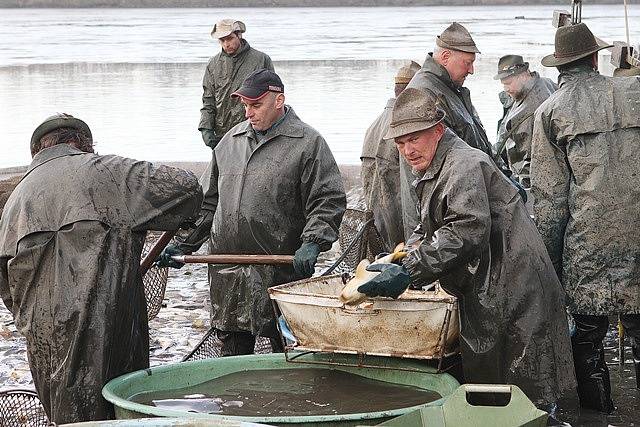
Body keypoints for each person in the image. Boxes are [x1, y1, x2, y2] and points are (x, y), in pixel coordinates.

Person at [358, 88, 576, 408]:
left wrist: (409, 271)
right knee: (493, 384)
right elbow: (430, 224)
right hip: (488, 281)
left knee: (528, 390)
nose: (407, 150)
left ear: (437, 130)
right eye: (400, 142)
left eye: (414, 139)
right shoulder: (434, 164)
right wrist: (404, 255)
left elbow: (465, 230)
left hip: (515, 285)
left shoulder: (464, 164)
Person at [0, 114, 203, 423]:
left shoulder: (15, 200)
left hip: (43, 347)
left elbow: (6, 289)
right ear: (84, 145)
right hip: (109, 337)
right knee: (119, 413)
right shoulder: (108, 173)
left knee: (64, 418)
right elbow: (187, 188)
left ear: (39, 151)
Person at [159, 69, 346, 356]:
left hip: (280, 270)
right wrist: (185, 244)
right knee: (232, 355)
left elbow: (328, 199)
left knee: (288, 350)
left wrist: (313, 242)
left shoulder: (308, 143)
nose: (248, 113)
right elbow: (208, 203)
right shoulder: (229, 142)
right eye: (245, 105)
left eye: (256, 105)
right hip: (227, 270)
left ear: (279, 100)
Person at [531, 22, 640, 413]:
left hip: (587, 243)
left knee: (589, 336)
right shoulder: (636, 91)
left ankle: (599, 413)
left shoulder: (549, 111)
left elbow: (549, 201)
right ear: (595, 58)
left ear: (559, 66)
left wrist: (548, 266)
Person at [404, 22, 520, 236]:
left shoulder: (451, 90)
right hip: (456, 207)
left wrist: (504, 178)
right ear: (446, 57)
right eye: (468, 63)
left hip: (475, 196)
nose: (472, 70)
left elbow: (477, 142)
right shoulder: (425, 92)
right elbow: (435, 167)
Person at [360, 61, 420, 251]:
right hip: (397, 230)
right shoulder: (404, 127)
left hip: (375, 226)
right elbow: (406, 193)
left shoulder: (373, 125)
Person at [199, 19, 274, 149]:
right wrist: (206, 127)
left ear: (239, 35)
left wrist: (269, 127)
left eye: (229, 39)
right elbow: (208, 100)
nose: (226, 44)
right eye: (222, 40)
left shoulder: (262, 60)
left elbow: (272, 98)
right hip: (222, 134)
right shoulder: (213, 64)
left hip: (253, 131)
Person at [494, 55, 556, 188]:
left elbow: (530, 162)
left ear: (523, 76)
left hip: (531, 178)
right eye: (503, 84)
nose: (506, 89)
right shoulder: (545, 82)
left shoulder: (529, 111)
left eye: (508, 83)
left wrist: (522, 188)